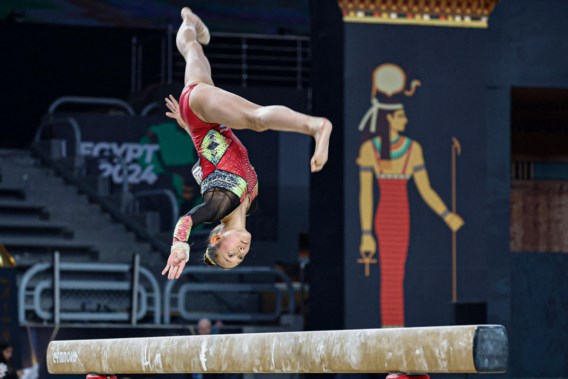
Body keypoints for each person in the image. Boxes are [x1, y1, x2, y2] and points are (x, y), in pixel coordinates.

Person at [161, 8, 332, 279]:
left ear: (216, 239)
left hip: (202, 113)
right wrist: (190, 128)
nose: (241, 251)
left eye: (231, 254)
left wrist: (180, 244)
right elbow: (207, 164)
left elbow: (187, 219)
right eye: (240, 257)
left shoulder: (220, 203)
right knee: (192, 52)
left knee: (257, 120)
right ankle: (189, 22)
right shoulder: (247, 203)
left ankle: (316, 126)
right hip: (202, 118)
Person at [357, 105, 464, 327]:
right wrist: (366, 233)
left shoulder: (412, 149)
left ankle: (396, 328)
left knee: (398, 272)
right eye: (401, 116)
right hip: (385, 216)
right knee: (389, 274)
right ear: (388, 119)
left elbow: (425, 189)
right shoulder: (370, 149)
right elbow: (365, 193)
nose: (405, 120)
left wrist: (447, 216)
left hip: (401, 215)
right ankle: (391, 328)